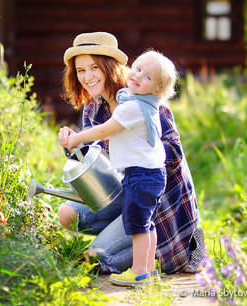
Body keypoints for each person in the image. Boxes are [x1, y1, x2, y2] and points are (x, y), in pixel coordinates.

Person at [57, 31, 204, 277]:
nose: (87, 77)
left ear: (109, 66)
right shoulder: (94, 107)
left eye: (94, 67)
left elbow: (175, 154)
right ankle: (119, 240)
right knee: (67, 215)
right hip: (124, 190)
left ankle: (183, 243)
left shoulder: (144, 96)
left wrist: (124, 138)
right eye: (81, 70)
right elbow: (94, 163)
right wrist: (72, 145)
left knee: (96, 259)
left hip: (155, 199)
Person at [64, 50, 172, 285]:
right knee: (144, 223)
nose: (138, 76)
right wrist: (73, 143)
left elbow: (105, 131)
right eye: (138, 69)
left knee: (138, 225)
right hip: (141, 177)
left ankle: (139, 271)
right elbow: (92, 156)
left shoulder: (133, 105)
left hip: (143, 178)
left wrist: (78, 138)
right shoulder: (134, 101)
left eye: (94, 67)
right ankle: (149, 270)